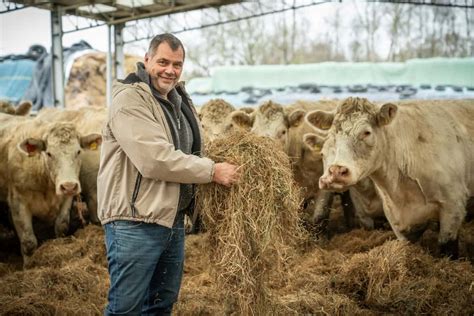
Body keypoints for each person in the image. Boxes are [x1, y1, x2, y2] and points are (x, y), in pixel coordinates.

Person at [97, 33, 240, 315]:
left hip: (171, 218)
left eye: (177, 64)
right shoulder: (131, 100)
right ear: (147, 60)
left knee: (161, 304)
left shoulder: (177, 100)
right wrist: (212, 171)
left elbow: (189, 149)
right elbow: (154, 159)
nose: (170, 70)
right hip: (135, 219)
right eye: (163, 62)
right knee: (126, 308)